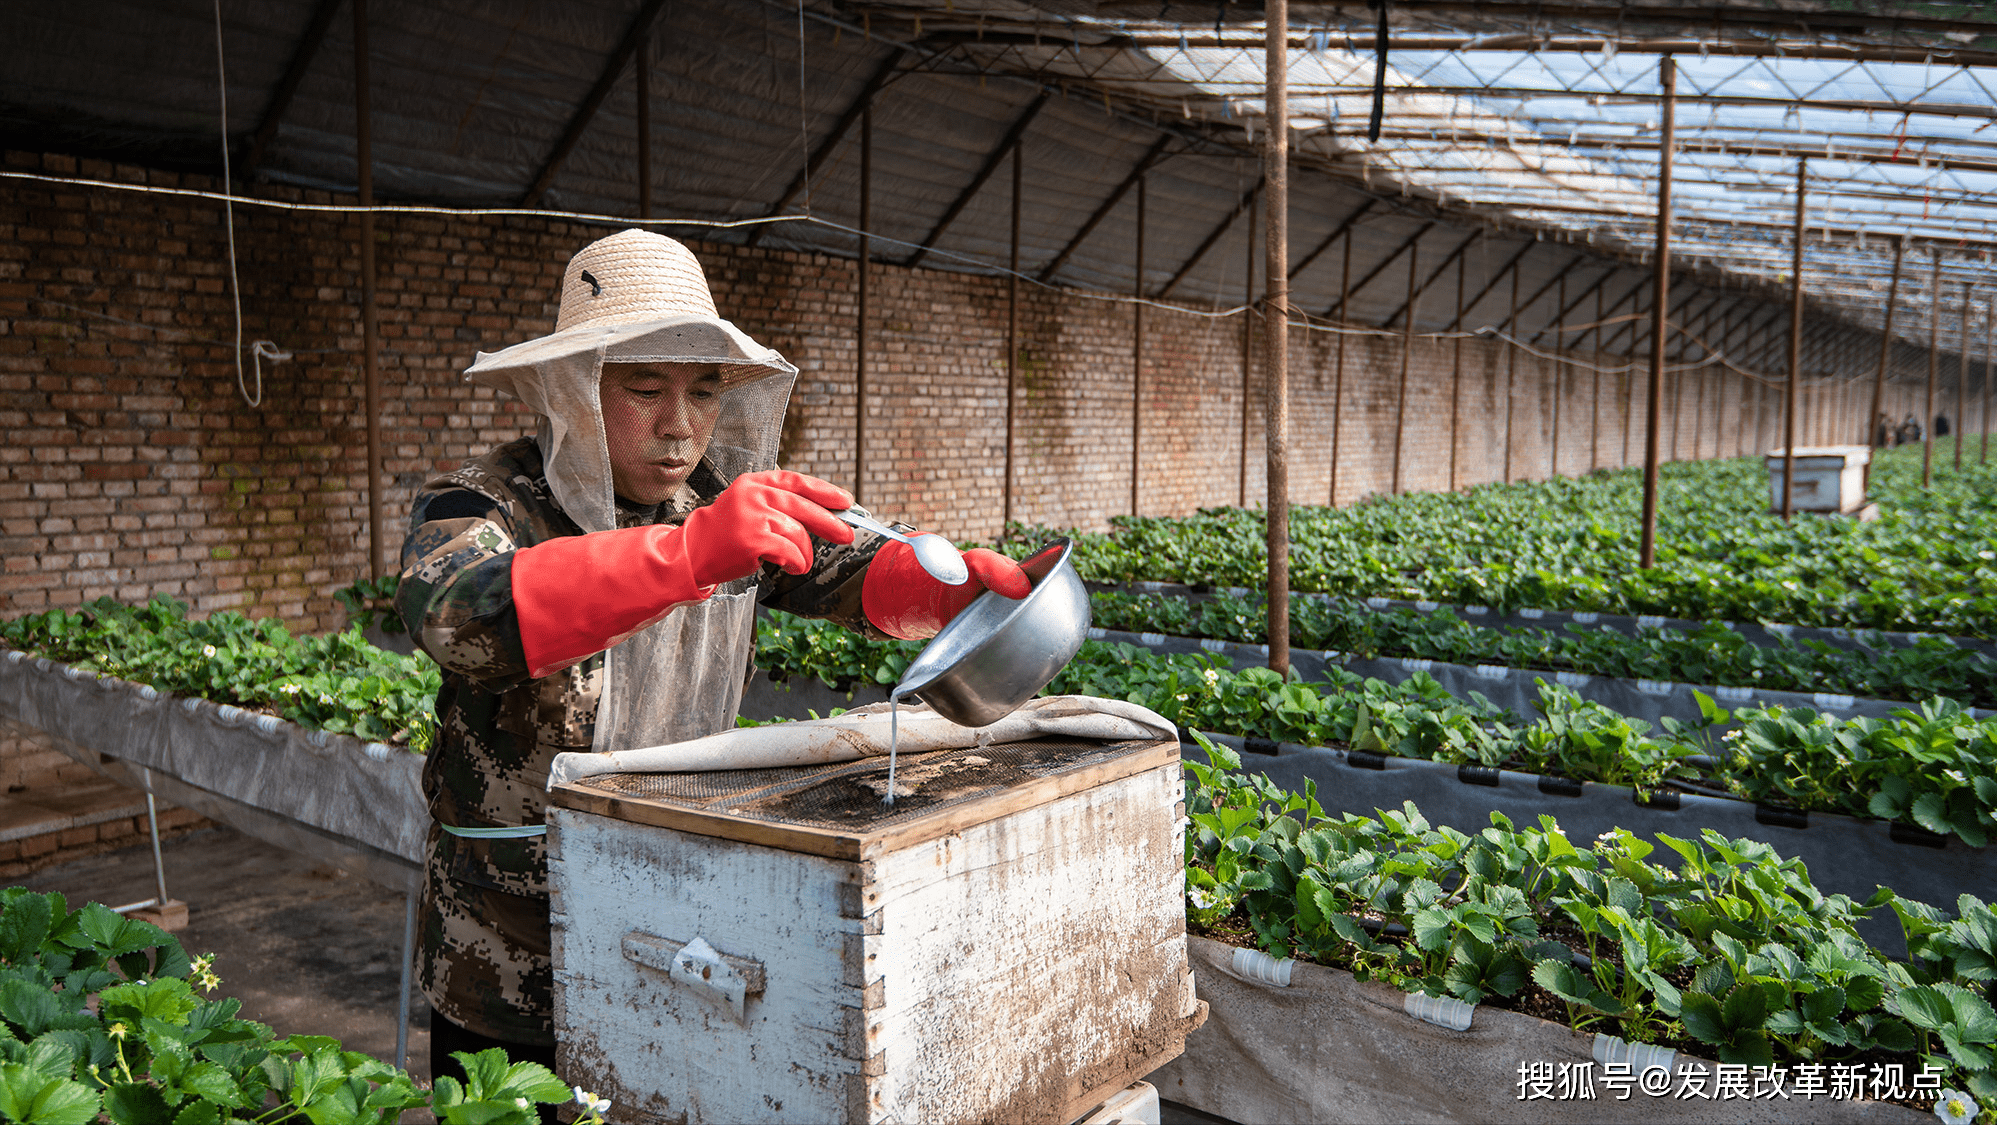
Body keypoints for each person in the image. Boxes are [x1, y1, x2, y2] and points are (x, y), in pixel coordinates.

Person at [393, 230, 1032, 1099]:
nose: (681, 424)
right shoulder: (485, 502)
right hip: (508, 950)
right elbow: (456, 613)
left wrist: (943, 588)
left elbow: (845, 572)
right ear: (574, 388)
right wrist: (682, 558)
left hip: (675, 904)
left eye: (703, 392)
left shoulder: (714, 504)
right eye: (646, 388)